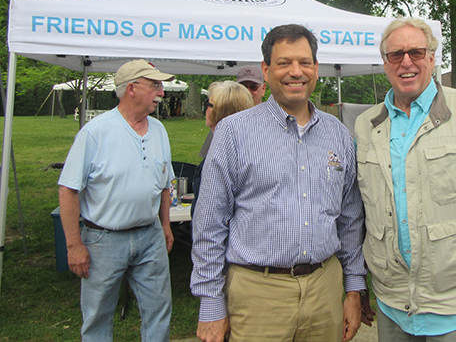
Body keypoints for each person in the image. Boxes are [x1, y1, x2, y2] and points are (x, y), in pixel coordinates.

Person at [191, 24, 371, 342]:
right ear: (266, 69)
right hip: (257, 294)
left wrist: (354, 287)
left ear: (316, 69)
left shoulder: (339, 134)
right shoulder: (233, 133)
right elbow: (209, 224)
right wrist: (211, 304)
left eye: (304, 62)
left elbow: (350, 218)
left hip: (324, 290)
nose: (295, 72)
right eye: (284, 62)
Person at [354, 18, 456, 342]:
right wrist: (358, 286)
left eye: (416, 52)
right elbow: (359, 214)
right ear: (385, 64)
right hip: (392, 305)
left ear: (432, 58)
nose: (406, 62)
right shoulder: (365, 126)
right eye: (395, 55)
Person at [57, 59, 177, 342]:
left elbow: (163, 185)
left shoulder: (159, 130)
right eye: (155, 85)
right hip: (104, 240)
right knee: (98, 314)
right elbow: (68, 189)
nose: (161, 92)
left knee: (159, 309)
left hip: (150, 235)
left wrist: (165, 226)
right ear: (131, 89)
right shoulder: (96, 132)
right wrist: (74, 245)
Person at [191, 81, 254, 215]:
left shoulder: (227, 153)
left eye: (208, 104)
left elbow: (212, 212)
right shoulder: (244, 145)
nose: (205, 109)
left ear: (221, 110)